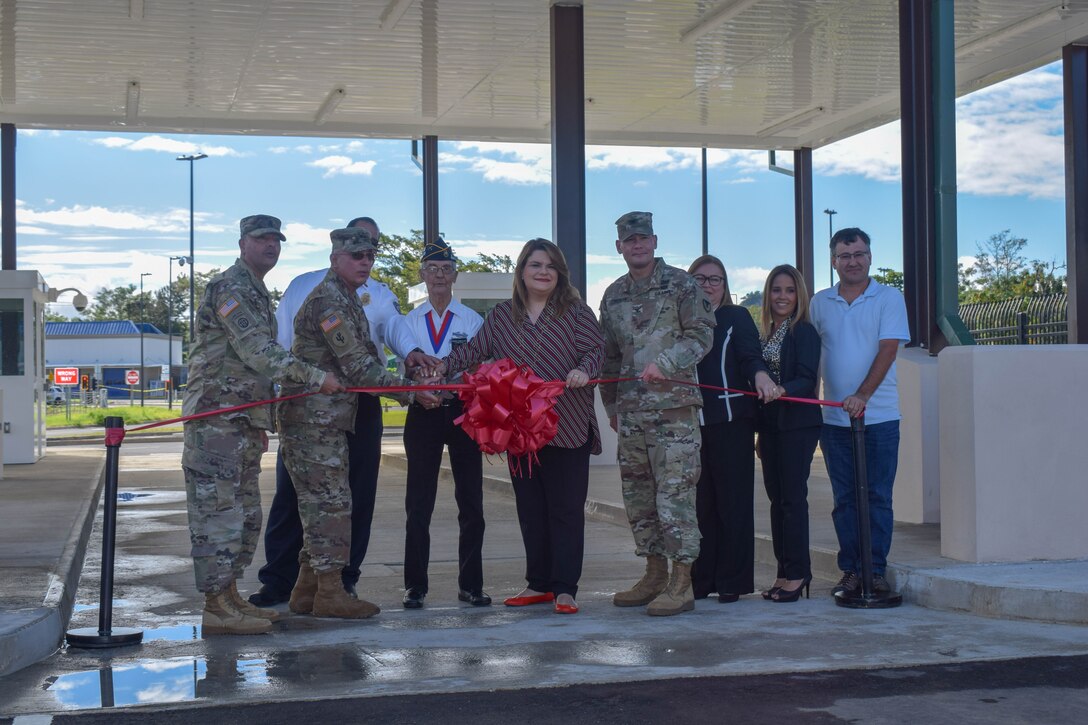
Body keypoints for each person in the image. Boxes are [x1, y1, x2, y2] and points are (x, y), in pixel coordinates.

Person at [182, 214, 343, 635]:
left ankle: (231, 596)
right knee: (217, 512)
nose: (270, 246)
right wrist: (313, 376)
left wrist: (260, 419)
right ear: (242, 243)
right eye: (261, 239)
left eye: (276, 240)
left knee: (244, 513)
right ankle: (215, 606)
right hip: (215, 419)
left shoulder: (255, 289)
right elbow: (257, 350)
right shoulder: (230, 287)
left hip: (240, 420)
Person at [251, 216, 419, 606]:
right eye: (357, 255)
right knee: (328, 506)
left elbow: (386, 335)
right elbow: (358, 365)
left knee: (327, 503)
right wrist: (412, 392)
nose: (366, 262)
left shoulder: (351, 297)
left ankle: (309, 589)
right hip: (314, 421)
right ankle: (327, 592)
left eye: (371, 255)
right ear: (335, 256)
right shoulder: (329, 301)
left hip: (332, 419)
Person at [441, 238, 604, 615]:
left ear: (559, 272)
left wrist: (584, 371)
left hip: (568, 425)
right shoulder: (501, 316)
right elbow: (473, 352)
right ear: (522, 272)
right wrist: (438, 366)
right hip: (520, 431)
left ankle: (565, 588)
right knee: (531, 509)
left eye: (550, 266)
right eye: (535, 265)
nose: (543, 272)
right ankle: (539, 584)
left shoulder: (576, 313)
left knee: (565, 509)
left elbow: (597, 351)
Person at [600, 212, 716, 617]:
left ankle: (681, 583)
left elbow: (701, 334)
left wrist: (666, 362)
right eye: (629, 240)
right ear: (619, 247)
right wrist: (612, 406)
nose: (637, 245)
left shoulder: (682, 284)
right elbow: (610, 357)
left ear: (655, 241)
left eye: (643, 238)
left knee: (675, 496)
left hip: (674, 412)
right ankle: (653, 574)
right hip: (631, 413)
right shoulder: (612, 295)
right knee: (639, 498)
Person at [384, 238, 489, 609]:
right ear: (422, 275)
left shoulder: (473, 320)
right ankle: (415, 586)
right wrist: (419, 389)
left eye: (446, 269)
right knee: (419, 503)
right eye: (433, 269)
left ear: (455, 275)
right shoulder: (408, 322)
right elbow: (403, 367)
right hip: (423, 414)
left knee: (471, 503)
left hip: (462, 413)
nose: (440, 275)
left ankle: (471, 584)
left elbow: (480, 366)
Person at [810, 228, 910, 597]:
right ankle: (852, 571)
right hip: (834, 422)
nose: (852, 261)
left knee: (878, 498)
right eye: (844, 255)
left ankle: (876, 572)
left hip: (880, 418)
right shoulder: (820, 302)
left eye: (859, 254)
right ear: (833, 261)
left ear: (870, 257)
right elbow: (812, 358)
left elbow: (888, 350)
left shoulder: (888, 298)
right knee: (845, 499)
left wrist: (862, 395)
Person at [687, 255, 777, 604]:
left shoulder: (735, 317)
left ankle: (732, 581)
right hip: (692, 425)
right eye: (700, 279)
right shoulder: (683, 321)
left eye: (716, 279)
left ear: (725, 286)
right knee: (701, 506)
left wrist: (761, 376)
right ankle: (701, 578)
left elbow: (751, 357)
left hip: (731, 423)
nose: (708, 285)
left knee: (733, 504)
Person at [756, 264, 822, 602]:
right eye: (777, 290)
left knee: (793, 501)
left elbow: (807, 380)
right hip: (771, 427)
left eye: (790, 290)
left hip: (798, 425)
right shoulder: (766, 333)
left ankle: (798, 574)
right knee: (776, 501)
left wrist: (781, 389)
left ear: (799, 296)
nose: (782, 297)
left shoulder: (804, 332)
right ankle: (783, 572)